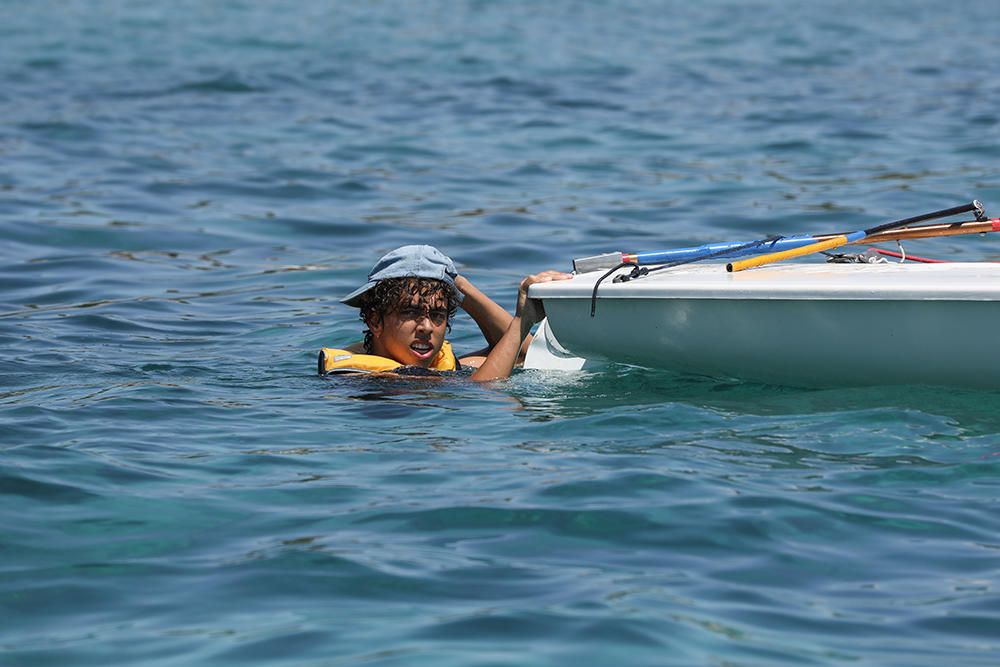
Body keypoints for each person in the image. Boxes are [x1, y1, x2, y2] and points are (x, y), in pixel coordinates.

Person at [318, 245, 571, 381]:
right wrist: (520, 320)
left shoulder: (443, 368)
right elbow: (486, 390)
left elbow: (523, 353)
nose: (427, 327)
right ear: (375, 320)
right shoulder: (367, 379)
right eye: (410, 312)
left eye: (438, 315)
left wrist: (459, 285)